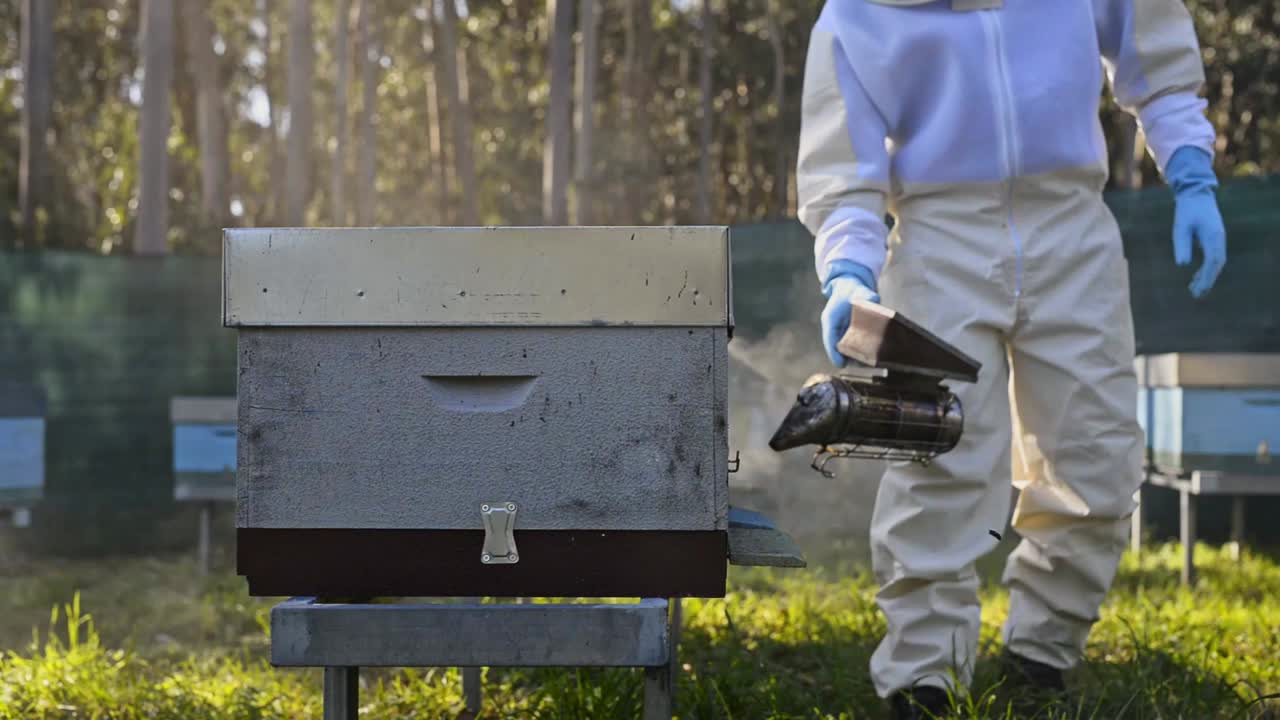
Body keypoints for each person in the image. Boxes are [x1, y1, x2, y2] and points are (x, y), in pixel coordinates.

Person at [795, 1, 1227, 717]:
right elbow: (843, 163)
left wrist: (1189, 165)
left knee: (1095, 455)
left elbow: (1154, 51)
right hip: (938, 239)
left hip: (1073, 227)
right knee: (940, 455)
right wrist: (848, 269)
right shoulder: (857, 15)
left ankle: (1041, 653)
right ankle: (924, 677)